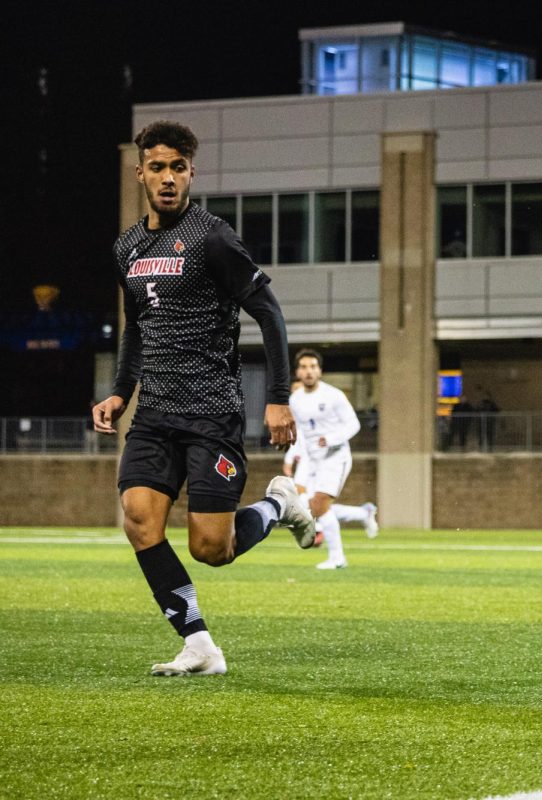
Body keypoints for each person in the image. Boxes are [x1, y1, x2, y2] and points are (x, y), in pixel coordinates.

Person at [92, 120, 315, 677]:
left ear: (191, 172)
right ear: (140, 171)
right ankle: (199, 646)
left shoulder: (213, 237)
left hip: (212, 411)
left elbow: (270, 314)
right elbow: (135, 327)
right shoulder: (127, 248)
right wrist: (121, 391)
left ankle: (279, 505)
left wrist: (280, 397)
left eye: (178, 168)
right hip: (155, 414)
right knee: (140, 519)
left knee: (211, 548)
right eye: (157, 167)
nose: (167, 178)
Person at [289, 349, 362, 569]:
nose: (308, 371)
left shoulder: (334, 395)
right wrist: (293, 455)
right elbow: (300, 433)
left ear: (319, 371)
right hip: (311, 459)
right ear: (297, 372)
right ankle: (360, 518)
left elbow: (353, 424)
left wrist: (331, 439)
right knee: (310, 504)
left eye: (312, 366)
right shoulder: (295, 399)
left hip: (335, 456)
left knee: (319, 502)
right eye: (304, 367)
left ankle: (337, 557)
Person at [282, 378, 378, 541]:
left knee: (313, 502)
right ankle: (362, 513)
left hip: (323, 460)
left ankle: (319, 530)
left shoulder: (320, 411)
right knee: (309, 502)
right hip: (306, 462)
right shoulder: (297, 411)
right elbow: (297, 439)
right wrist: (289, 459)